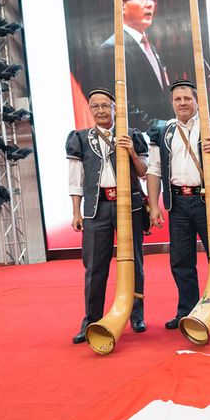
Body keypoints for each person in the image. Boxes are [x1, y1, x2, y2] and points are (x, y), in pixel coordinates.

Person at [145, 79, 210, 329]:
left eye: (187, 98)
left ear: (197, 101)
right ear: (171, 103)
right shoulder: (163, 132)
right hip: (177, 203)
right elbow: (154, 170)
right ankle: (186, 311)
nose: (182, 103)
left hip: (208, 202)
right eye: (177, 99)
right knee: (181, 260)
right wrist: (153, 205)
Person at [66, 89, 149, 344]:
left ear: (114, 108)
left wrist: (131, 151)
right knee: (94, 266)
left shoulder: (131, 135)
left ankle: (136, 315)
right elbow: (75, 179)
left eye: (105, 106)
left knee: (134, 261)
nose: (101, 110)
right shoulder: (80, 138)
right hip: (96, 208)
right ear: (90, 109)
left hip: (129, 206)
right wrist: (76, 211)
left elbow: (143, 172)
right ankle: (91, 321)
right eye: (96, 106)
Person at [99, 0, 173, 128]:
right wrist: (159, 126)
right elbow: (120, 105)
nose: (150, 4)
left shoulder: (150, 47)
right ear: (121, 6)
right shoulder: (112, 48)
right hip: (139, 137)